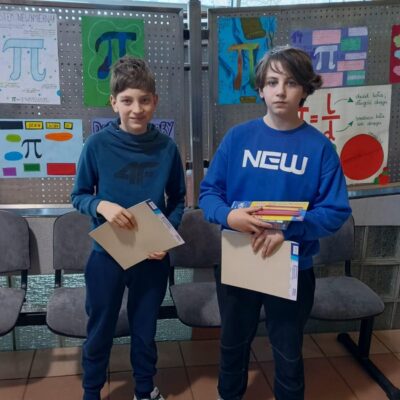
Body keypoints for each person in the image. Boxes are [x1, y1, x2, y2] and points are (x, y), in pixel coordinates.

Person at [199, 46, 351, 400]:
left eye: (291, 82)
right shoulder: (238, 138)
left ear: (305, 89)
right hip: (240, 259)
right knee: (233, 344)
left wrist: (289, 231)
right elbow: (208, 194)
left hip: (292, 264)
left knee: (288, 349)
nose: (280, 91)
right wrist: (228, 216)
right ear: (260, 89)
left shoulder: (320, 148)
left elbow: (335, 211)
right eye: (272, 82)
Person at [71, 55, 186, 400]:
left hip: (151, 256)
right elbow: (79, 195)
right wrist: (100, 205)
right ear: (114, 103)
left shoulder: (166, 148)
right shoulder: (96, 145)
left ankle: (144, 390)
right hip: (106, 255)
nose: (137, 109)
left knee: (145, 330)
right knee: (100, 329)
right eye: (127, 100)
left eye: (144, 100)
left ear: (155, 101)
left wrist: (167, 237)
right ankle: (91, 392)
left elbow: (178, 199)